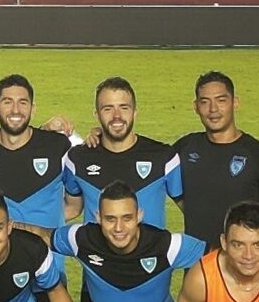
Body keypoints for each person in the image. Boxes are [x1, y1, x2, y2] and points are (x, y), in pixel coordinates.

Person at [51, 182, 205, 302]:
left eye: (127, 218)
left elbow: (219, 259)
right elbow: (44, 237)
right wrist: (5, 233)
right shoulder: (81, 239)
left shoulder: (167, 245)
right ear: (98, 217)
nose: (118, 228)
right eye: (110, 219)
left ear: (139, 215)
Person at [172, 71, 259, 248]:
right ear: (196, 106)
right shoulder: (184, 149)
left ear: (235, 103)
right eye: (205, 102)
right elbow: (157, 173)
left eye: (221, 100)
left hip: (245, 264)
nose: (213, 109)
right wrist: (192, 209)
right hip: (199, 266)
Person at [0, 73, 75, 240]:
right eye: (7, 102)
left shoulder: (58, 147)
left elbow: (74, 206)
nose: (15, 110)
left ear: (33, 108)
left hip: (47, 263)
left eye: (22, 103)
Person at [64, 77, 181, 228]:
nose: (117, 116)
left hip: (150, 252)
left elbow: (193, 211)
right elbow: (71, 208)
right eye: (108, 109)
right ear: (96, 115)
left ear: (135, 112)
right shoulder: (77, 158)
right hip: (95, 252)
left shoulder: (163, 157)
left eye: (124, 107)